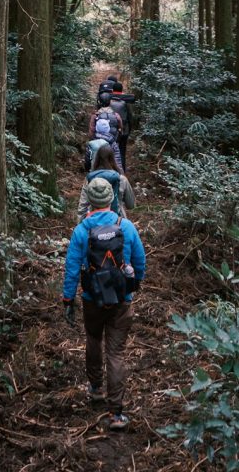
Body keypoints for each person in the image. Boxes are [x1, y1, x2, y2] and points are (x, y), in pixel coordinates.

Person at [62, 176, 146, 431]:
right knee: (116, 352)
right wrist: (133, 284)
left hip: (92, 299)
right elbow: (140, 262)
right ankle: (116, 413)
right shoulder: (127, 226)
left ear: (90, 200)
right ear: (110, 200)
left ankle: (96, 388)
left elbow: (72, 269)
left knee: (93, 339)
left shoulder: (81, 230)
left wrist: (68, 299)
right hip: (121, 299)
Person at [77, 144, 135, 222]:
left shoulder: (90, 178)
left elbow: (82, 207)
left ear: (97, 158)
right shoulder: (121, 179)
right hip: (118, 221)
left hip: (94, 223)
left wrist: (82, 227)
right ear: (112, 159)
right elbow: (131, 205)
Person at [85, 96, 123, 172]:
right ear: (110, 102)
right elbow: (121, 129)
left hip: (97, 142)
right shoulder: (116, 115)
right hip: (112, 142)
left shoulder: (95, 116)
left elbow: (91, 132)